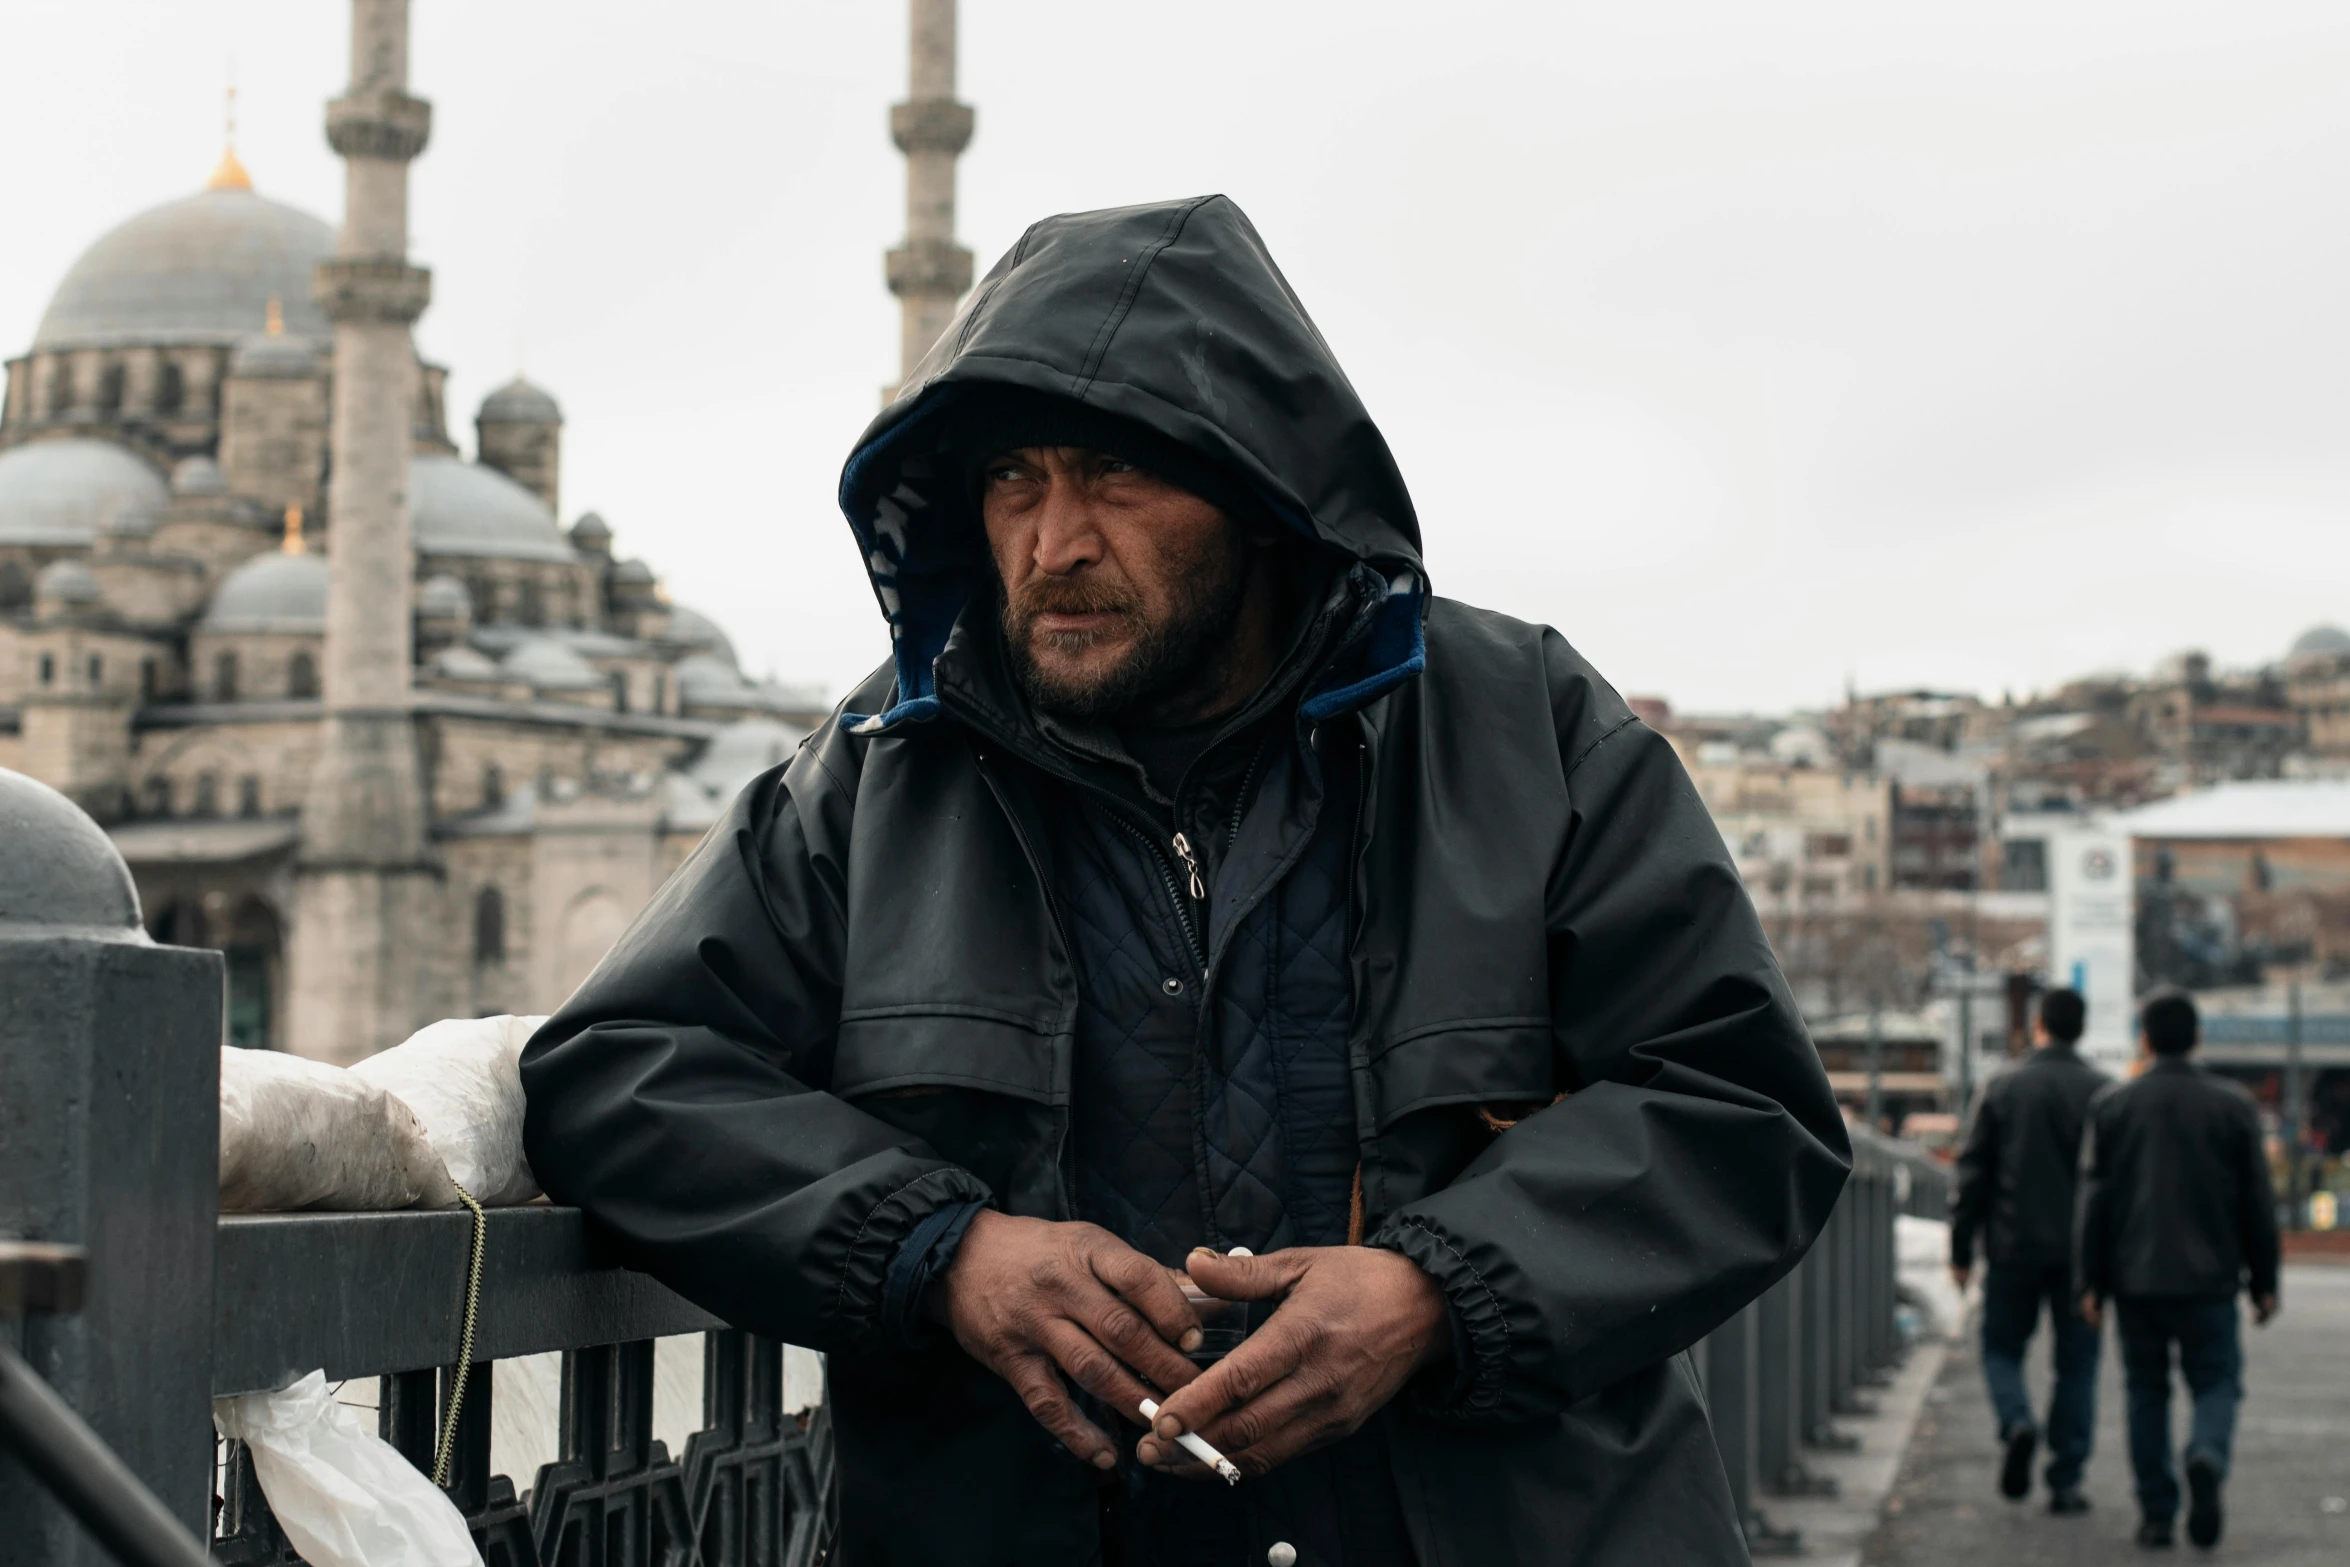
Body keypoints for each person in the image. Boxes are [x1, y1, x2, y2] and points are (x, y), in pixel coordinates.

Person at [520, 195, 1851, 1565]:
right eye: (1014, 481)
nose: (1053, 542)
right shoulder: (882, 778)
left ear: (1258, 489)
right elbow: (623, 1068)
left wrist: (1435, 1290)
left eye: (1113, 475)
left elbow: (1738, 1102)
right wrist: (939, 1248)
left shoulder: (1526, 731)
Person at [2076, 991, 2281, 1551]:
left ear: (2144, 1039)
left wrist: (2089, 1281)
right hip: (2211, 1280)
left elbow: (2094, 1201)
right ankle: (2207, 1454)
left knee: (2147, 1391)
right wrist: (2264, 1282)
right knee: (2216, 1382)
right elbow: (2257, 1203)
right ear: (2197, 1038)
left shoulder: (2113, 1105)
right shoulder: (2233, 1105)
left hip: (2135, 1277)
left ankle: (2157, 1514)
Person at [1949, 987, 2109, 1514]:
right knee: (2077, 1367)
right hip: (2083, 1257)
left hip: (2013, 1246)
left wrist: (1962, 1249)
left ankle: (2017, 1420)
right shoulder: (2104, 1093)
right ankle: (2065, 1481)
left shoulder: (2004, 1086)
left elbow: (1973, 1173)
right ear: (2081, 1029)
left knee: (2001, 1349)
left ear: (2039, 1025)